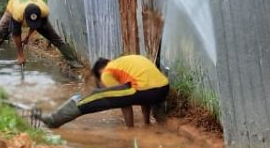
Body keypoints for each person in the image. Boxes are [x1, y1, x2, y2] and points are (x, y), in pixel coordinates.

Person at [32, 54, 169, 129]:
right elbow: (142, 98)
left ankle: (53, 120)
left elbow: (123, 102)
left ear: (99, 71)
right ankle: (147, 125)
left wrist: (130, 130)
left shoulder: (107, 72)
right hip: (162, 89)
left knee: (96, 95)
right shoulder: (129, 61)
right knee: (132, 93)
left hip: (145, 90)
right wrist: (146, 124)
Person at [0, 0, 80, 72]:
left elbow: (37, 24)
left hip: (31, 2)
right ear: (24, 18)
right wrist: (20, 54)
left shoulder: (44, 11)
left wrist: (28, 36)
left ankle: (74, 62)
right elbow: (16, 34)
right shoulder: (17, 13)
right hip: (13, 7)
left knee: (54, 37)